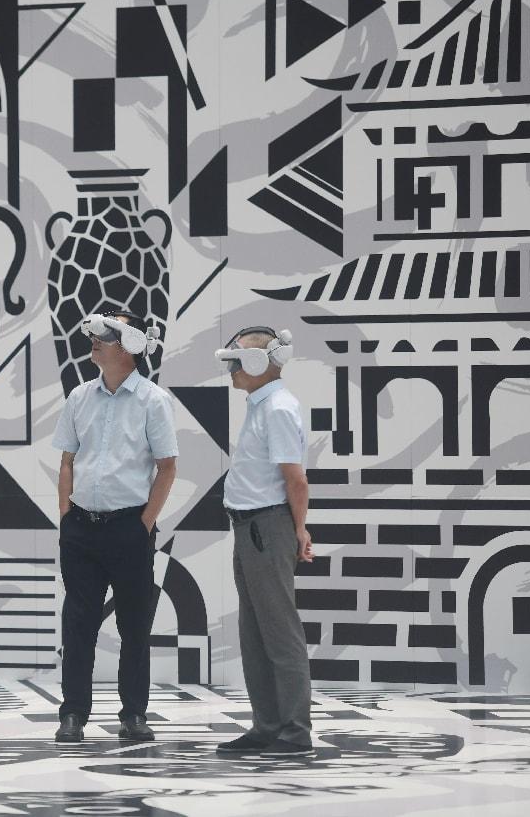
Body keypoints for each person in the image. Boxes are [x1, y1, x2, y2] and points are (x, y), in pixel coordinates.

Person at [51, 311, 178, 743]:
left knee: (134, 627)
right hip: (81, 528)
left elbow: (167, 467)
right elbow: (67, 460)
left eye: (107, 335)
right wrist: (66, 517)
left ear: (131, 345)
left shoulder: (153, 400)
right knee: (78, 625)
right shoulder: (79, 397)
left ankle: (134, 714)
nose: (95, 340)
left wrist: (143, 525)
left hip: (129, 528)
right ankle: (73, 714)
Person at [213, 325, 316, 758]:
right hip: (251, 528)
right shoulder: (263, 405)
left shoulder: (277, 408)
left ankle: (294, 732)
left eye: (237, 362)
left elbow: (296, 480)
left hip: (267, 527)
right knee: (255, 634)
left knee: (279, 632)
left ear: (257, 363)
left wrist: (298, 529)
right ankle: (267, 726)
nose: (232, 370)